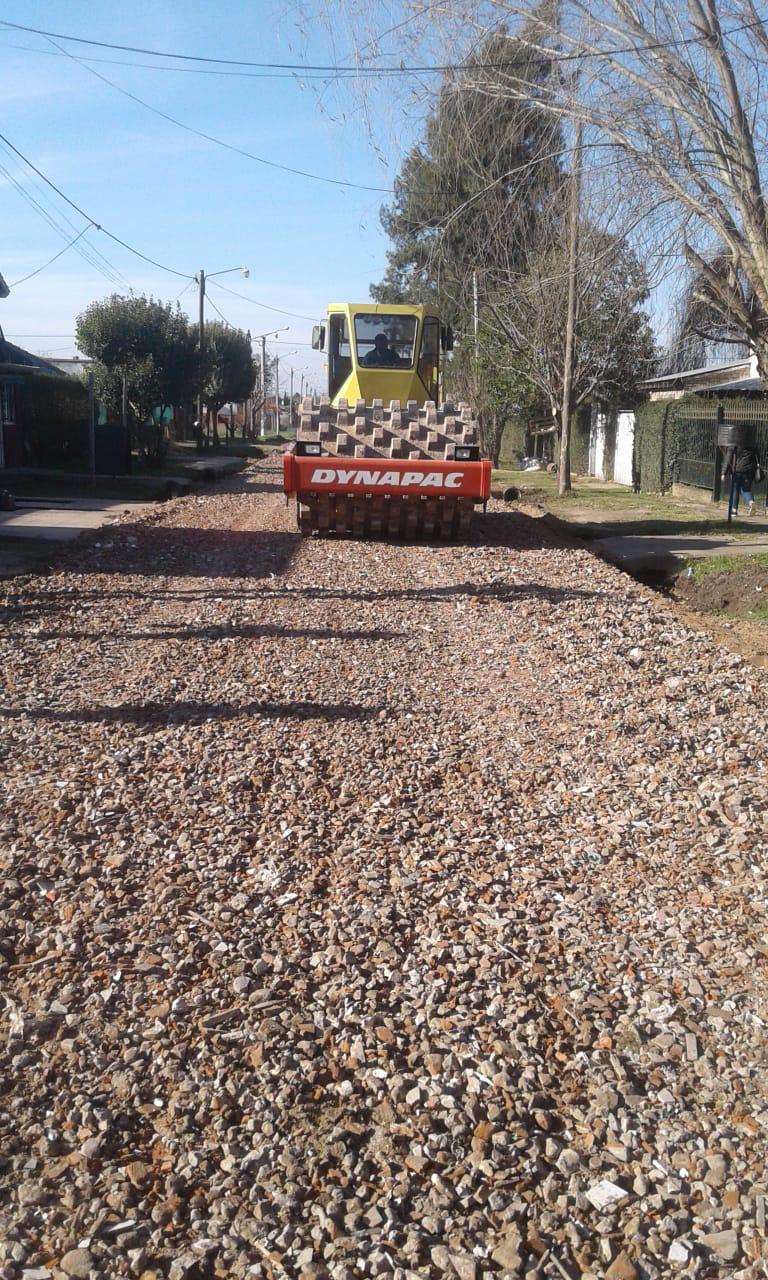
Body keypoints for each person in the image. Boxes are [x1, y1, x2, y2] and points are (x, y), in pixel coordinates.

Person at [722, 437, 761, 517]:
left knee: (735, 490)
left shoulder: (734, 444)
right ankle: (750, 502)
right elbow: (757, 457)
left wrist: (724, 472)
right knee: (746, 489)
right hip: (748, 471)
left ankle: (734, 510)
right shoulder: (752, 444)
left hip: (736, 470)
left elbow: (728, 459)